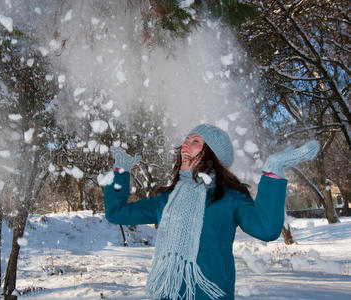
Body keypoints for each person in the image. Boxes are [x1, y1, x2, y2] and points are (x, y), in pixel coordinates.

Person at [104, 124, 320, 300]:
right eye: (185, 141)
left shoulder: (230, 197)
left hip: (211, 294)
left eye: (195, 141)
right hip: (167, 294)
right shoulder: (167, 200)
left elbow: (267, 229)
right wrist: (120, 171)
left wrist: (273, 170)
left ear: (212, 154)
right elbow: (117, 213)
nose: (184, 146)